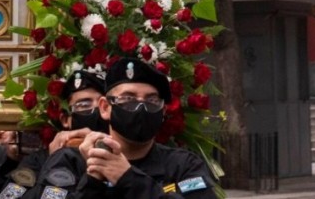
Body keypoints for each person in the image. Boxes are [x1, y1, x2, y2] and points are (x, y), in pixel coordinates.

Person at [26, 58, 217, 198]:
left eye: (151, 100)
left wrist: (128, 179)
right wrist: (92, 181)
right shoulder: (70, 161)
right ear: (105, 108)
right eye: (128, 99)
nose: (141, 107)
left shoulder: (183, 165)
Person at [0, 70, 109, 198]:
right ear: (65, 119)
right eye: (84, 105)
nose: (96, 110)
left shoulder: (121, 152)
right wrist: (53, 162)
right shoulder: (38, 161)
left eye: (103, 104)